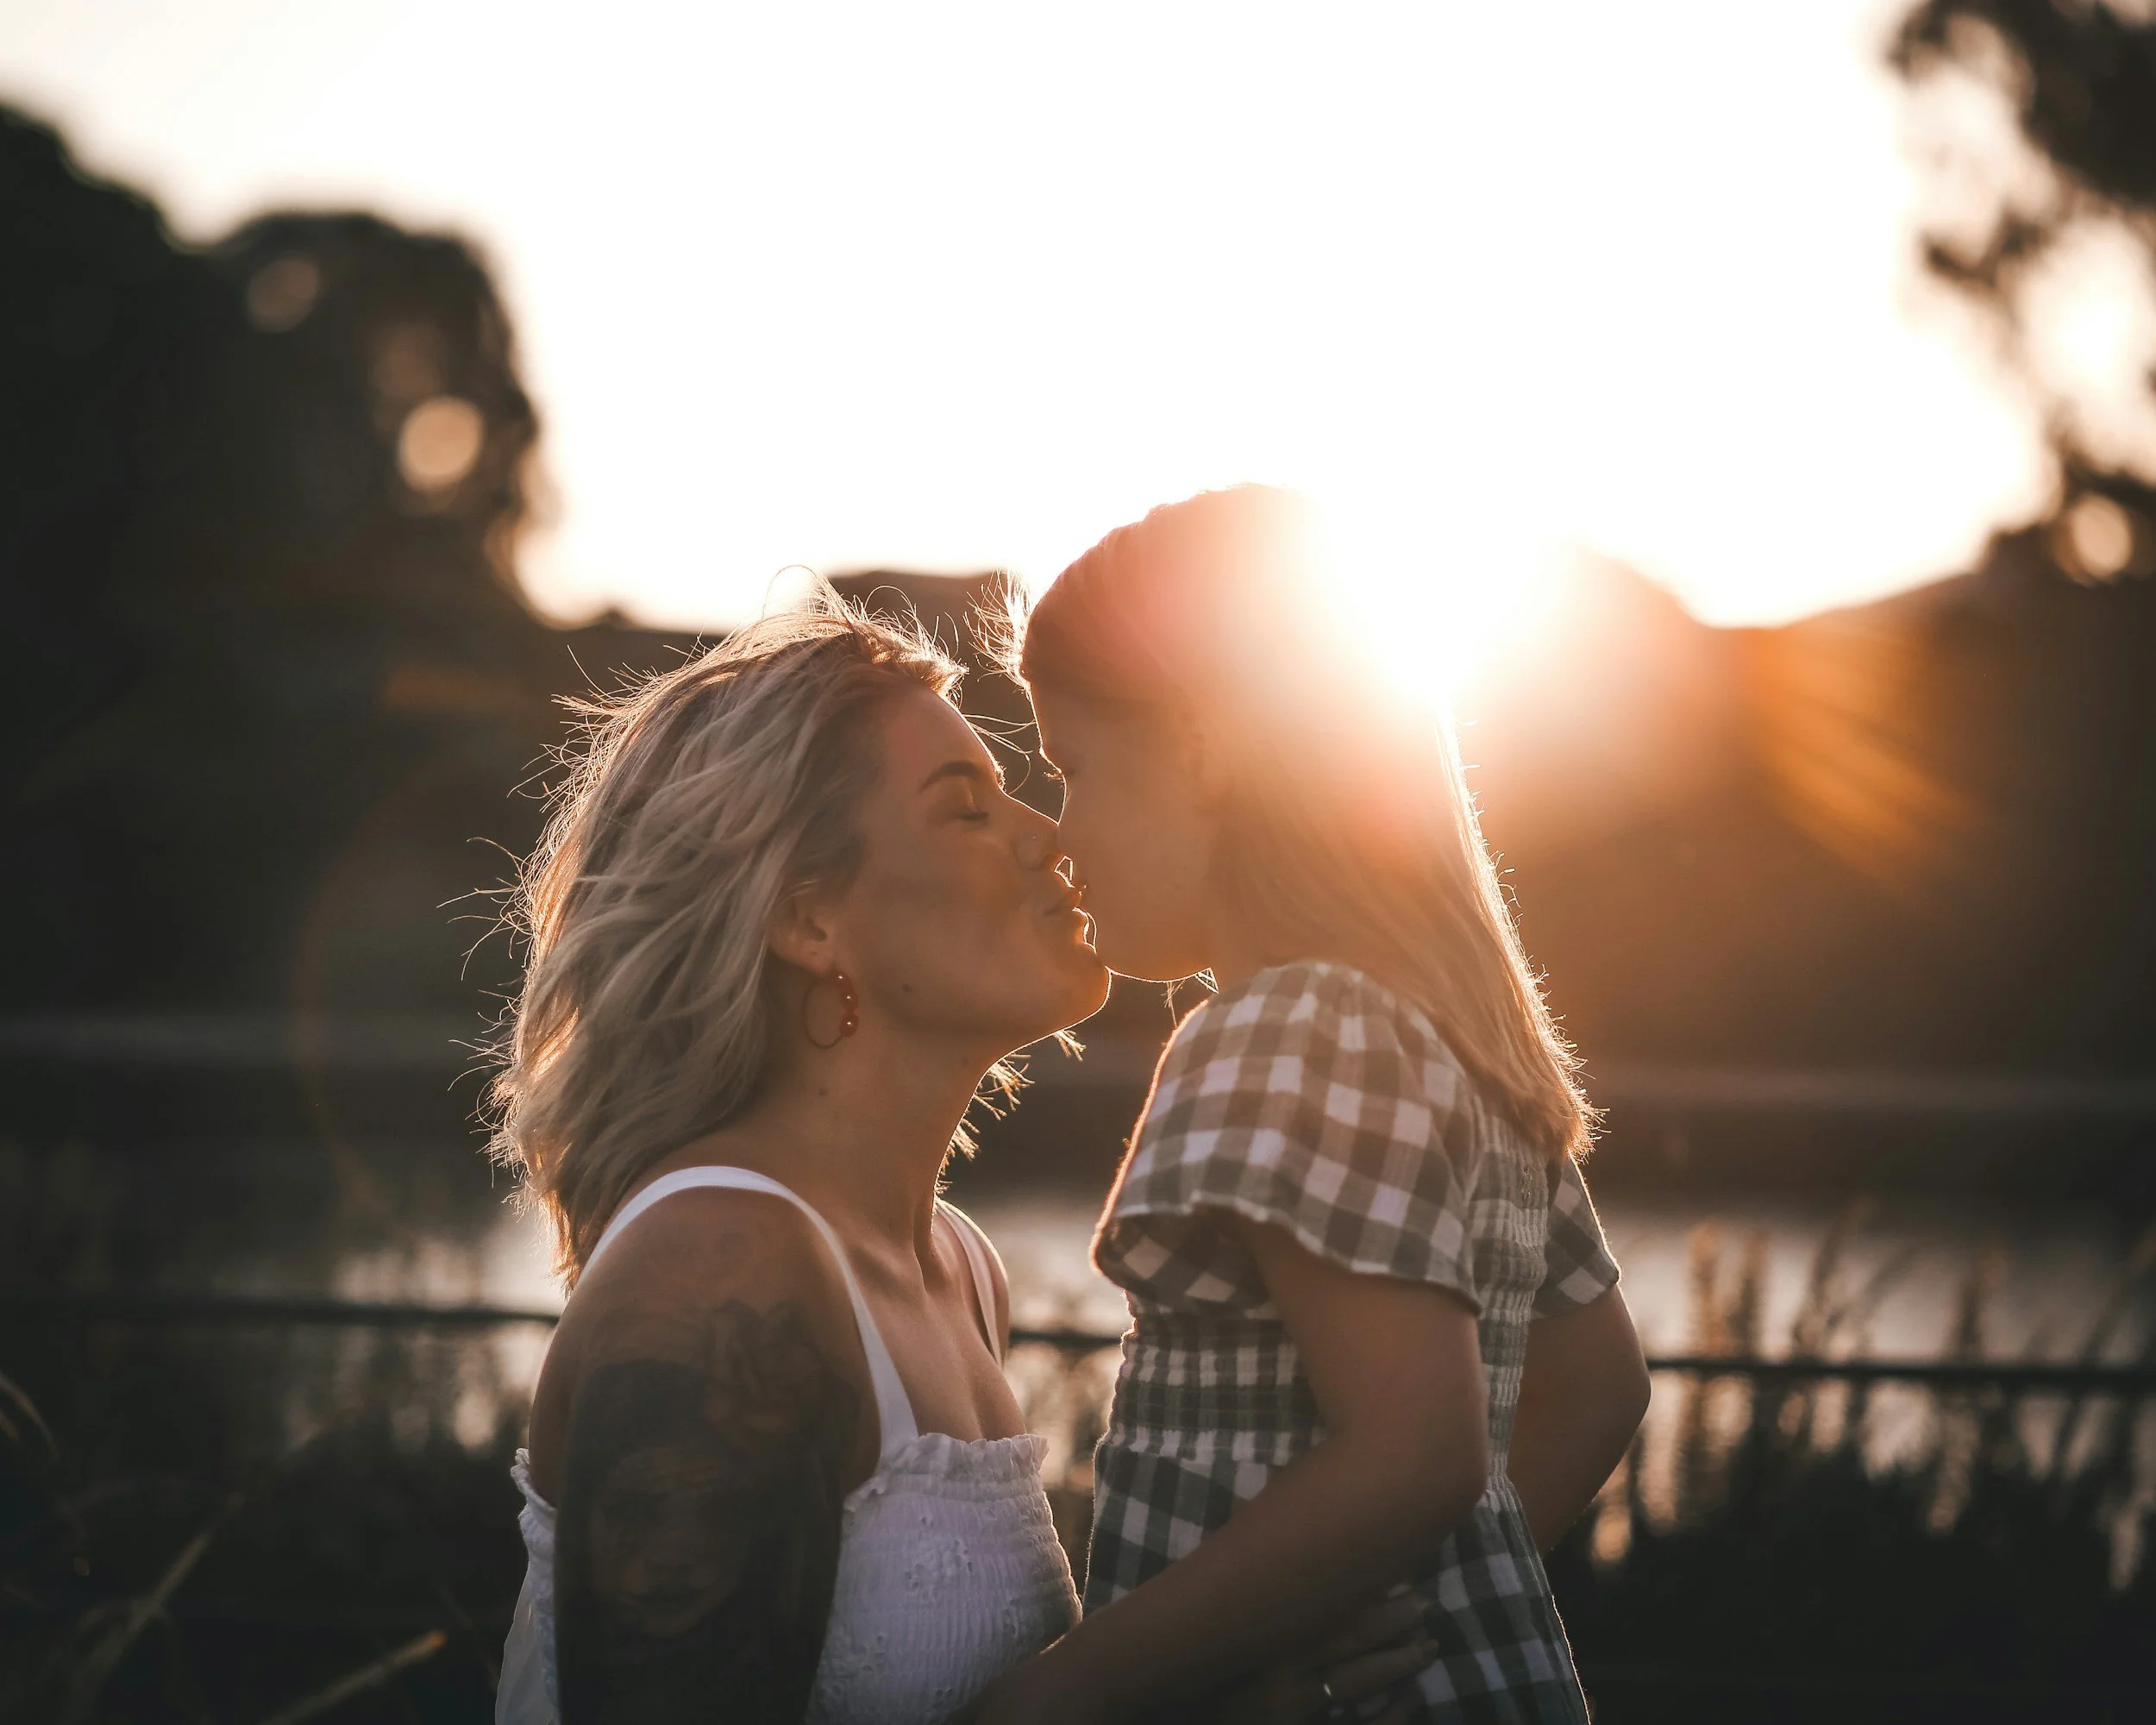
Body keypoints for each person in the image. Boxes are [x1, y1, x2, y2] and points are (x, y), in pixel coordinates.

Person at [967, 487, 1652, 1722]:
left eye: (1073, 767)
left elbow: (1417, 1452)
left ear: (1199, 749)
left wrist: (1047, 1705)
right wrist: (1435, 1610)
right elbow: (1599, 1384)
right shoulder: (1457, 1047)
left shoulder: (1282, 1031)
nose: (1062, 831)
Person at [487, 601, 1107, 1724]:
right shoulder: (725, 1268)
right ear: (807, 919)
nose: (1044, 833)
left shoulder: (959, 1272)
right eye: (966, 809)